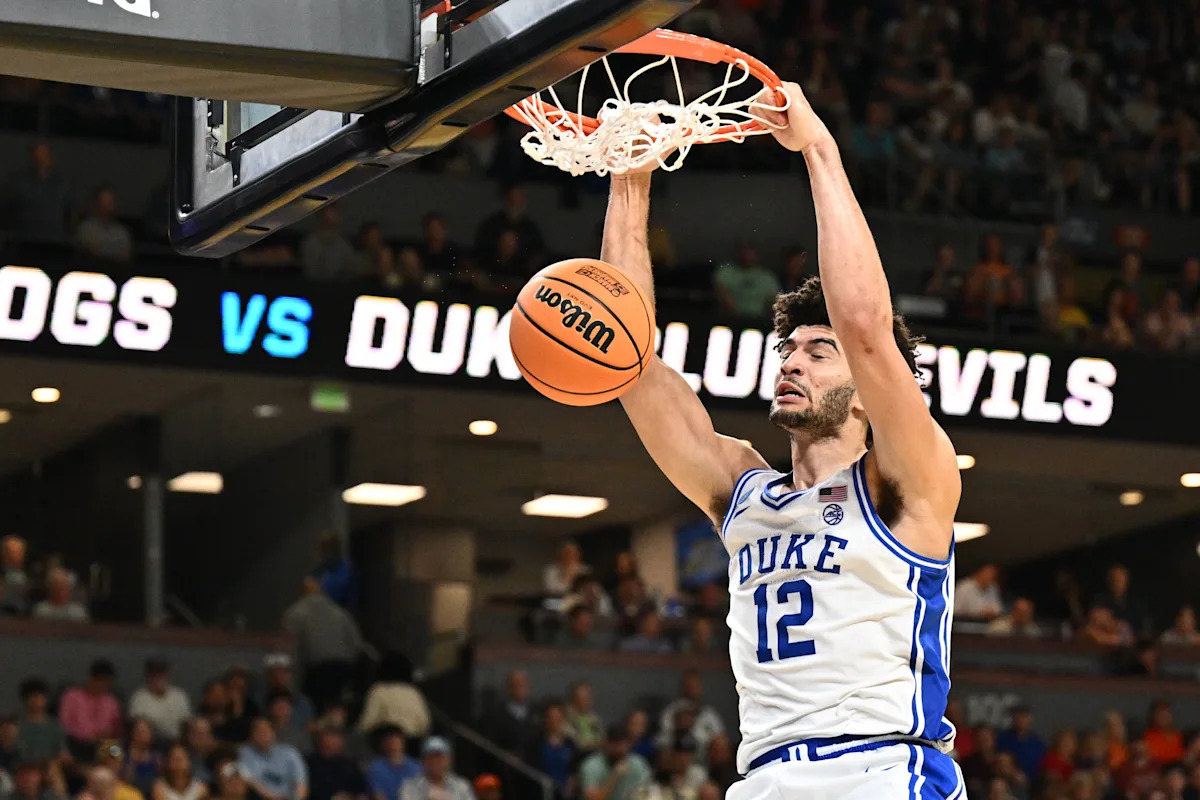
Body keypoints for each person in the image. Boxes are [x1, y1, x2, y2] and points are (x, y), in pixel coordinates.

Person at [605, 82, 965, 797]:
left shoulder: (906, 481)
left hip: (881, 770)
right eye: (789, 349)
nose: (793, 360)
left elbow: (864, 325)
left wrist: (819, 149)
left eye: (817, 351)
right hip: (765, 777)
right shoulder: (740, 487)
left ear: (865, 389)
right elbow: (628, 364)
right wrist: (630, 180)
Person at [356, 654, 431, 741]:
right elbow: (425, 724)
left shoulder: (379, 690)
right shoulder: (414, 692)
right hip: (413, 744)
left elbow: (367, 723)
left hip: (387, 742)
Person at [60, 661, 122, 759]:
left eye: (108, 683)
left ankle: (110, 773)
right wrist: (86, 736)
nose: (105, 687)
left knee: (116, 750)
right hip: (77, 742)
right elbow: (64, 725)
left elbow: (117, 727)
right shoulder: (72, 696)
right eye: (102, 682)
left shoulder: (111, 701)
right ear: (91, 679)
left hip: (102, 744)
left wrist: (110, 732)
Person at [577, 724, 653, 800]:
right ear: (606, 744)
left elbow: (646, 791)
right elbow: (594, 798)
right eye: (614, 745)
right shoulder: (592, 765)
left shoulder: (638, 763)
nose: (618, 749)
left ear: (629, 744)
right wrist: (615, 775)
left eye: (621, 745)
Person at [238, 719, 308, 800]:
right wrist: (273, 798)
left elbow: (301, 782)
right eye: (258, 731)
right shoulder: (245, 753)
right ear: (252, 735)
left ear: (273, 733)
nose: (262, 734)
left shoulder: (290, 753)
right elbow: (250, 780)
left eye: (265, 730)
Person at [129, 660, 192, 744]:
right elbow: (138, 726)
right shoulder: (139, 698)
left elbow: (186, 724)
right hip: (151, 744)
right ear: (148, 677)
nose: (159, 678)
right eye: (154, 675)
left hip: (177, 742)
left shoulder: (179, 696)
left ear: (168, 676)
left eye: (162, 675)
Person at [398, 738, 473, 800]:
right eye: (431, 758)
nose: (435, 762)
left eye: (439, 758)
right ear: (423, 761)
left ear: (448, 760)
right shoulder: (409, 786)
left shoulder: (462, 786)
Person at [304, 726, 367, 800]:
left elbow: (361, 791)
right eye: (332, 735)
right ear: (320, 738)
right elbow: (308, 790)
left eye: (339, 736)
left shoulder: (350, 764)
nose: (336, 740)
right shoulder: (309, 763)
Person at [14, 679, 67, 764]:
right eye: (33, 697)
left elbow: (61, 752)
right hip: (25, 766)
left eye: (40, 697)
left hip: (51, 765)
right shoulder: (16, 724)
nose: (36, 701)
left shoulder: (55, 724)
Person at [365, 727, 420, 800]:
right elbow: (378, 795)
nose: (393, 746)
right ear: (384, 745)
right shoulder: (376, 768)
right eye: (390, 742)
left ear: (403, 743)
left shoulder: (415, 767)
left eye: (396, 742)